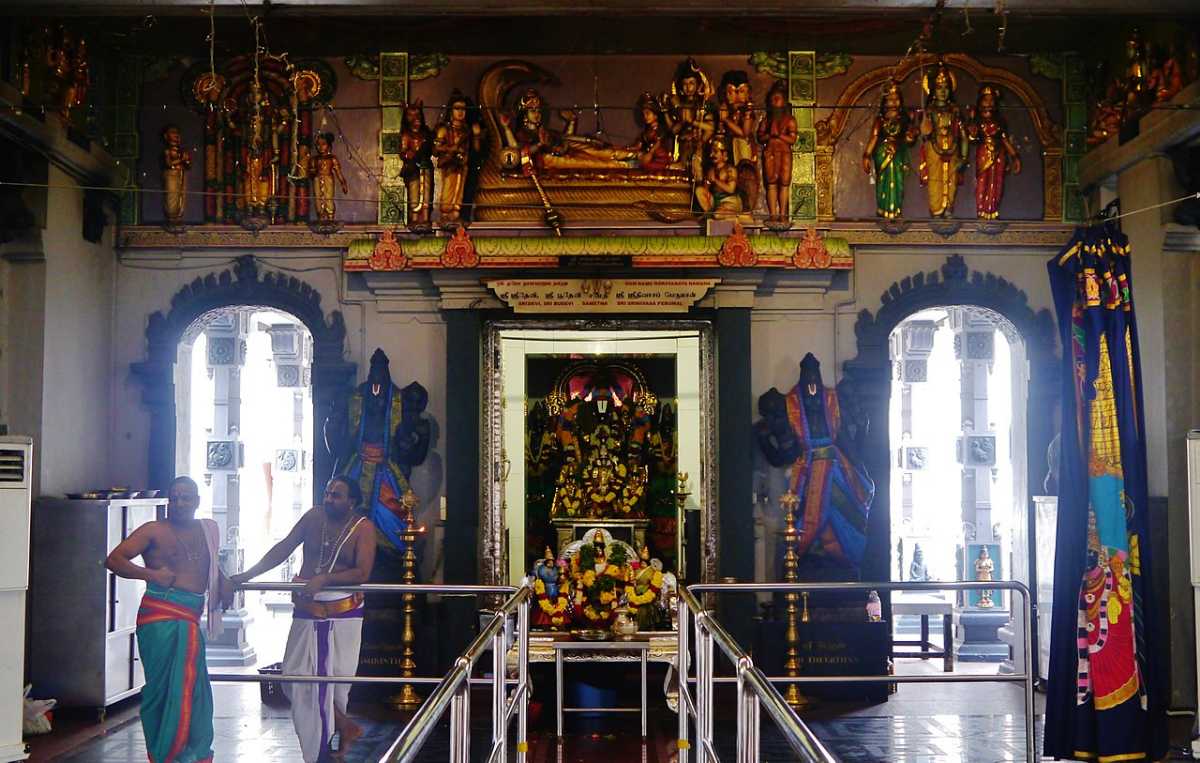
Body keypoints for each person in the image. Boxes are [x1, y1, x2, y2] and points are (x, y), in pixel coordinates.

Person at [232, 476, 375, 763]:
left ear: (352, 502)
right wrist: (246, 576)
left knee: (330, 683)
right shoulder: (313, 517)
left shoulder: (363, 529)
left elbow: (362, 573)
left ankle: (322, 753)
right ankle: (343, 728)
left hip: (342, 615)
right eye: (328, 492)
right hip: (307, 609)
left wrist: (325, 579)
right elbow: (283, 548)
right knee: (294, 677)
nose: (329, 498)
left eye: (337, 495)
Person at [105, 476, 228, 763]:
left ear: (197, 501)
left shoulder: (208, 529)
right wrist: (152, 575)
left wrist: (226, 581)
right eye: (174, 498)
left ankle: (194, 755)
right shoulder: (153, 530)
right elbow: (114, 559)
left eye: (186, 498)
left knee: (195, 689)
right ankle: (165, 755)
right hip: (160, 617)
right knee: (162, 691)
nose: (179, 503)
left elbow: (211, 566)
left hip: (190, 617)